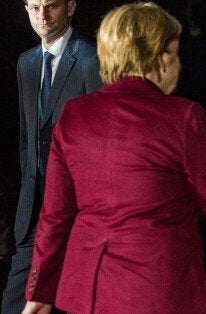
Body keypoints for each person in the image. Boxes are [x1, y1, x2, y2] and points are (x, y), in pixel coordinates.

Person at [21, 2, 206, 313]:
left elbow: (55, 216)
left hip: (88, 293)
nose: (179, 65)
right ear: (158, 59)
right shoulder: (184, 118)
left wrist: (39, 295)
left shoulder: (74, 115)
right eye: (174, 54)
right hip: (157, 291)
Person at [1, 0, 102, 312]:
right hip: (33, 213)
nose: (41, 15)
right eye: (33, 7)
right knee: (15, 303)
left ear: (71, 7)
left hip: (77, 209)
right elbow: (26, 139)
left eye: (51, 6)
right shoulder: (26, 63)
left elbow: (101, 137)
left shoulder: (91, 58)